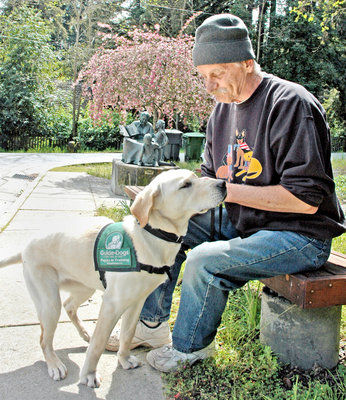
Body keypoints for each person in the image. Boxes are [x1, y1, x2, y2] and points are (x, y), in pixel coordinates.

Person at [109, 14, 345, 371]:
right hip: (245, 221)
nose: (209, 85)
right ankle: (150, 325)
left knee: (205, 260)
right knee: (157, 224)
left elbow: (306, 199)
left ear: (247, 63)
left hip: (299, 234)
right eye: (202, 77)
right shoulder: (221, 111)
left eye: (216, 74)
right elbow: (209, 177)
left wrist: (229, 192)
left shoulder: (291, 104)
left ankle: (190, 349)